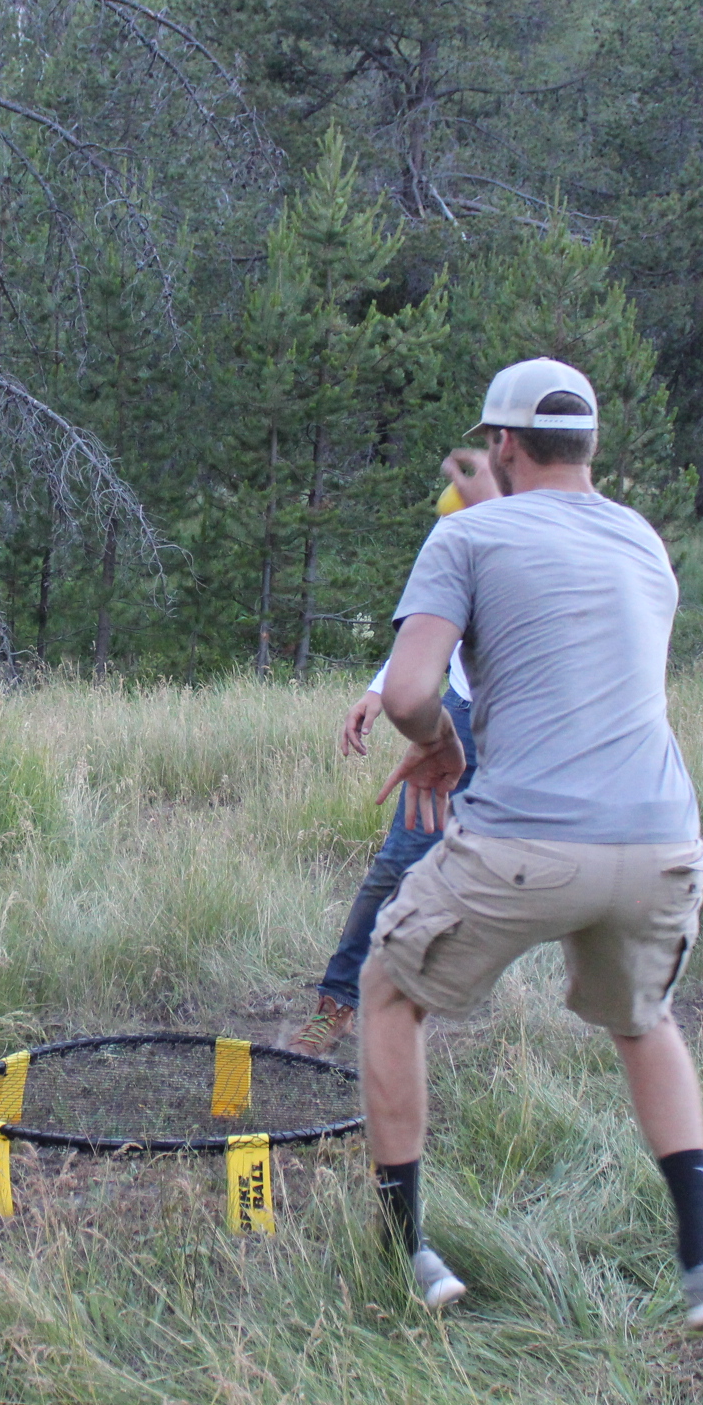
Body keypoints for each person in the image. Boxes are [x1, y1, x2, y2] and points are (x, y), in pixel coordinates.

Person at [357, 357, 703, 1329]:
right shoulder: (642, 540)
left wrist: (440, 744)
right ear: (589, 444)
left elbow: (409, 692)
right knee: (645, 1020)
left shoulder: (469, 535)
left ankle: (405, 1252)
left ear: (503, 443)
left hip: (524, 842)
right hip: (661, 842)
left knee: (388, 990)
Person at [292, 449, 497, 1059]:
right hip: (463, 720)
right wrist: (382, 689)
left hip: (543, 731)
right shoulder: (460, 524)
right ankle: (337, 1004)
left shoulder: (573, 522)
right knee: (400, 862)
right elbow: (430, 625)